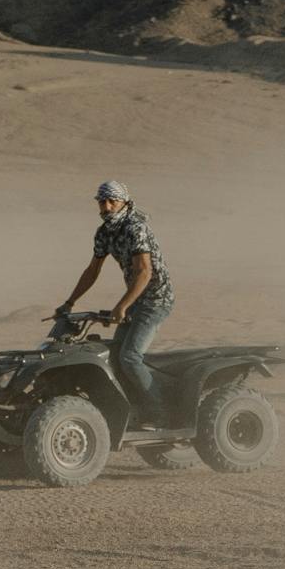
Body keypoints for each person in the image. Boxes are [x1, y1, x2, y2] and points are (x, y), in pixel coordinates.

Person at [56, 180, 175, 424]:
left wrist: (121, 306)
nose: (107, 206)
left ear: (125, 203)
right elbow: (92, 270)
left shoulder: (135, 228)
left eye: (112, 201)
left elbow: (144, 272)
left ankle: (162, 411)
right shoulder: (104, 233)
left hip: (155, 299)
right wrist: (70, 302)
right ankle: (130, 409)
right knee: (113, 357)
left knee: (130, 357)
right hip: (135, 300)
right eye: (102, 201)